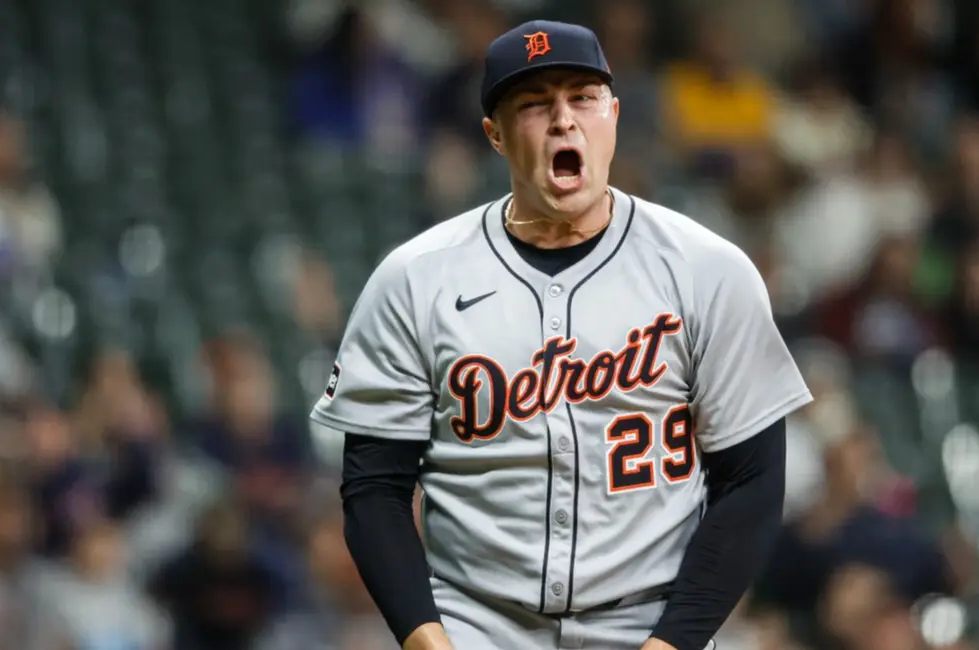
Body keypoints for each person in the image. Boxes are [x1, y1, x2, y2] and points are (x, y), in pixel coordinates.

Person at [311, 19, 813, 650]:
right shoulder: (414, 279)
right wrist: (428, 641)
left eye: (583, 97)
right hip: (477, 624)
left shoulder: (708, 270)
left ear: (614, 116)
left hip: (649, 620)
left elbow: (751, 483)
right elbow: (374, 490)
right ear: (494, 134)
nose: (563, 121)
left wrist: (671, 643)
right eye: (533, 103)